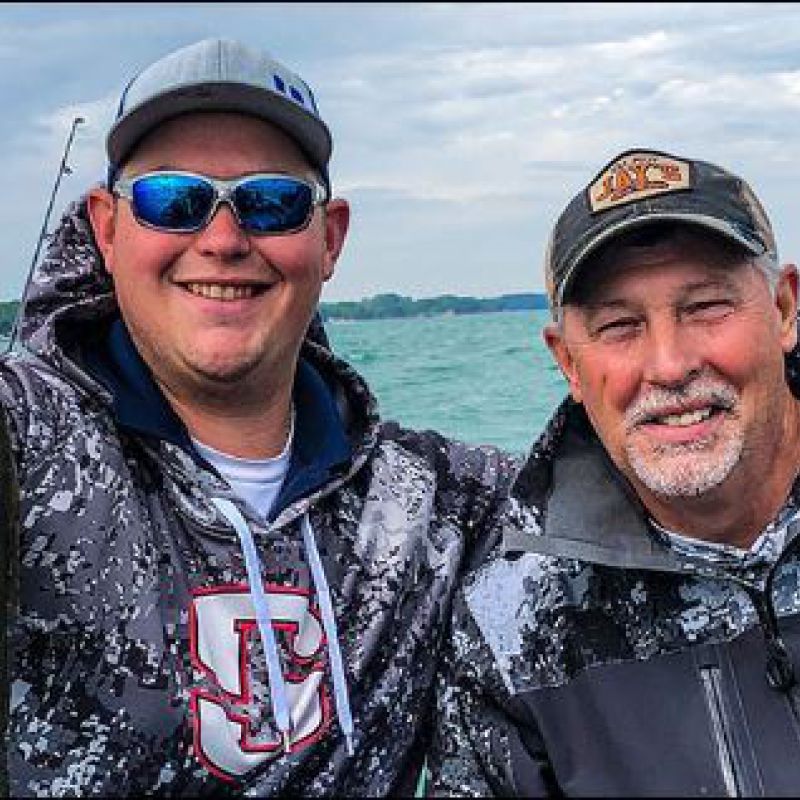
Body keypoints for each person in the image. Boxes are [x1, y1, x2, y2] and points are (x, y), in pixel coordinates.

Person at [1, 38, 517, 796]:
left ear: (330, 237)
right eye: (172, 200)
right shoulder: (27, 443)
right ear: (108, 231)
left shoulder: (438, 503)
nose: (221, 241)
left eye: (269, 202)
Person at [427, 148, 800, 796]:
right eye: (621, 326)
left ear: (786, 308)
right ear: (568, 362)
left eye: (707, 307)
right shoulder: (511, 628)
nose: (669, 364)